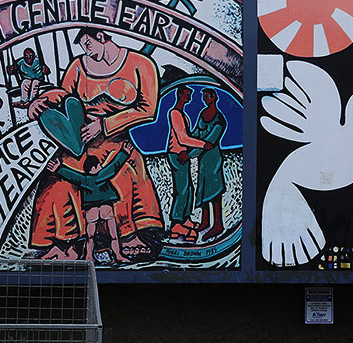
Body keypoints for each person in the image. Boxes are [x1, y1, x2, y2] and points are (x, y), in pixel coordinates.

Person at [28, 27, 163, 260]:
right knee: (57, 178)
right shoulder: (78, 66)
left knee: (121, 173)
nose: (86, 51)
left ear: (101, 37)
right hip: (79, 143)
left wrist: (104, 125)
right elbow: (64, 96)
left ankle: (128, 235)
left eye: (88, 44)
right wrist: (40, 101)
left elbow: (147, 110)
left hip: (116, 140)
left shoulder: (141, 64)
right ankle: (66, 243)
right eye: (83, 47)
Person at [46, 140, 136, 263]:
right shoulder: (102, 175)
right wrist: (124, 153)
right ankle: (118, 255)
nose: (101, 167)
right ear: (95, 167)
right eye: (99, 165)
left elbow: (72, 176)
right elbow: (114, 166)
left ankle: (89, 256)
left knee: (90, 236)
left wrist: (59, 169)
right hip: (105, 206)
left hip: (91, 209)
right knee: (114, 235)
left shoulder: (85, 180)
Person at [167, 86, 213, 242]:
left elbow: (188, 136)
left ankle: (185, 219)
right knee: (182, 189)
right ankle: (176, 224)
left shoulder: (183, 115)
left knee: (189, 188)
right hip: (176, 154)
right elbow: (182, 138)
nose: (190, 97)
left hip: (183, 155)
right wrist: (203, 144)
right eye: (188, 94)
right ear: (180, 95)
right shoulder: (175, 113)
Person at [189, 88, 227, 241]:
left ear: (214, 97)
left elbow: (209, 142)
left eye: (207, 96)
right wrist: (186, 142)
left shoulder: (219, 119)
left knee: (214, 191)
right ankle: (205, 221)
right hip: (202, 160)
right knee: (203, 189)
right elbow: (197, 133)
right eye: (203, 96)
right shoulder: (203, 113)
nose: (204, 99)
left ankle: (218, 224)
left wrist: (189, 154)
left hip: (213, 158)